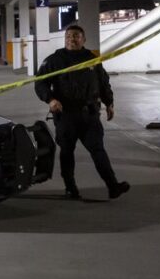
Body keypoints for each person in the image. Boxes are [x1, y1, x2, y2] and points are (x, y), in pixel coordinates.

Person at [35, 24, 130, 200]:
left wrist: (109, 103)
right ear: (65, 39)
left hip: (89, 115)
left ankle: (112, 186)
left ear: (83, 39)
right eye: (69, 36)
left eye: (76, 36)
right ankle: (70, 187)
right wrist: (50, 99)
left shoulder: (92, 59)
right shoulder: (55, 59)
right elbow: (40, 83)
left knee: (98, 150)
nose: (72, 39)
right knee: (67, 152)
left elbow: (103, 83)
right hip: (66, 115)